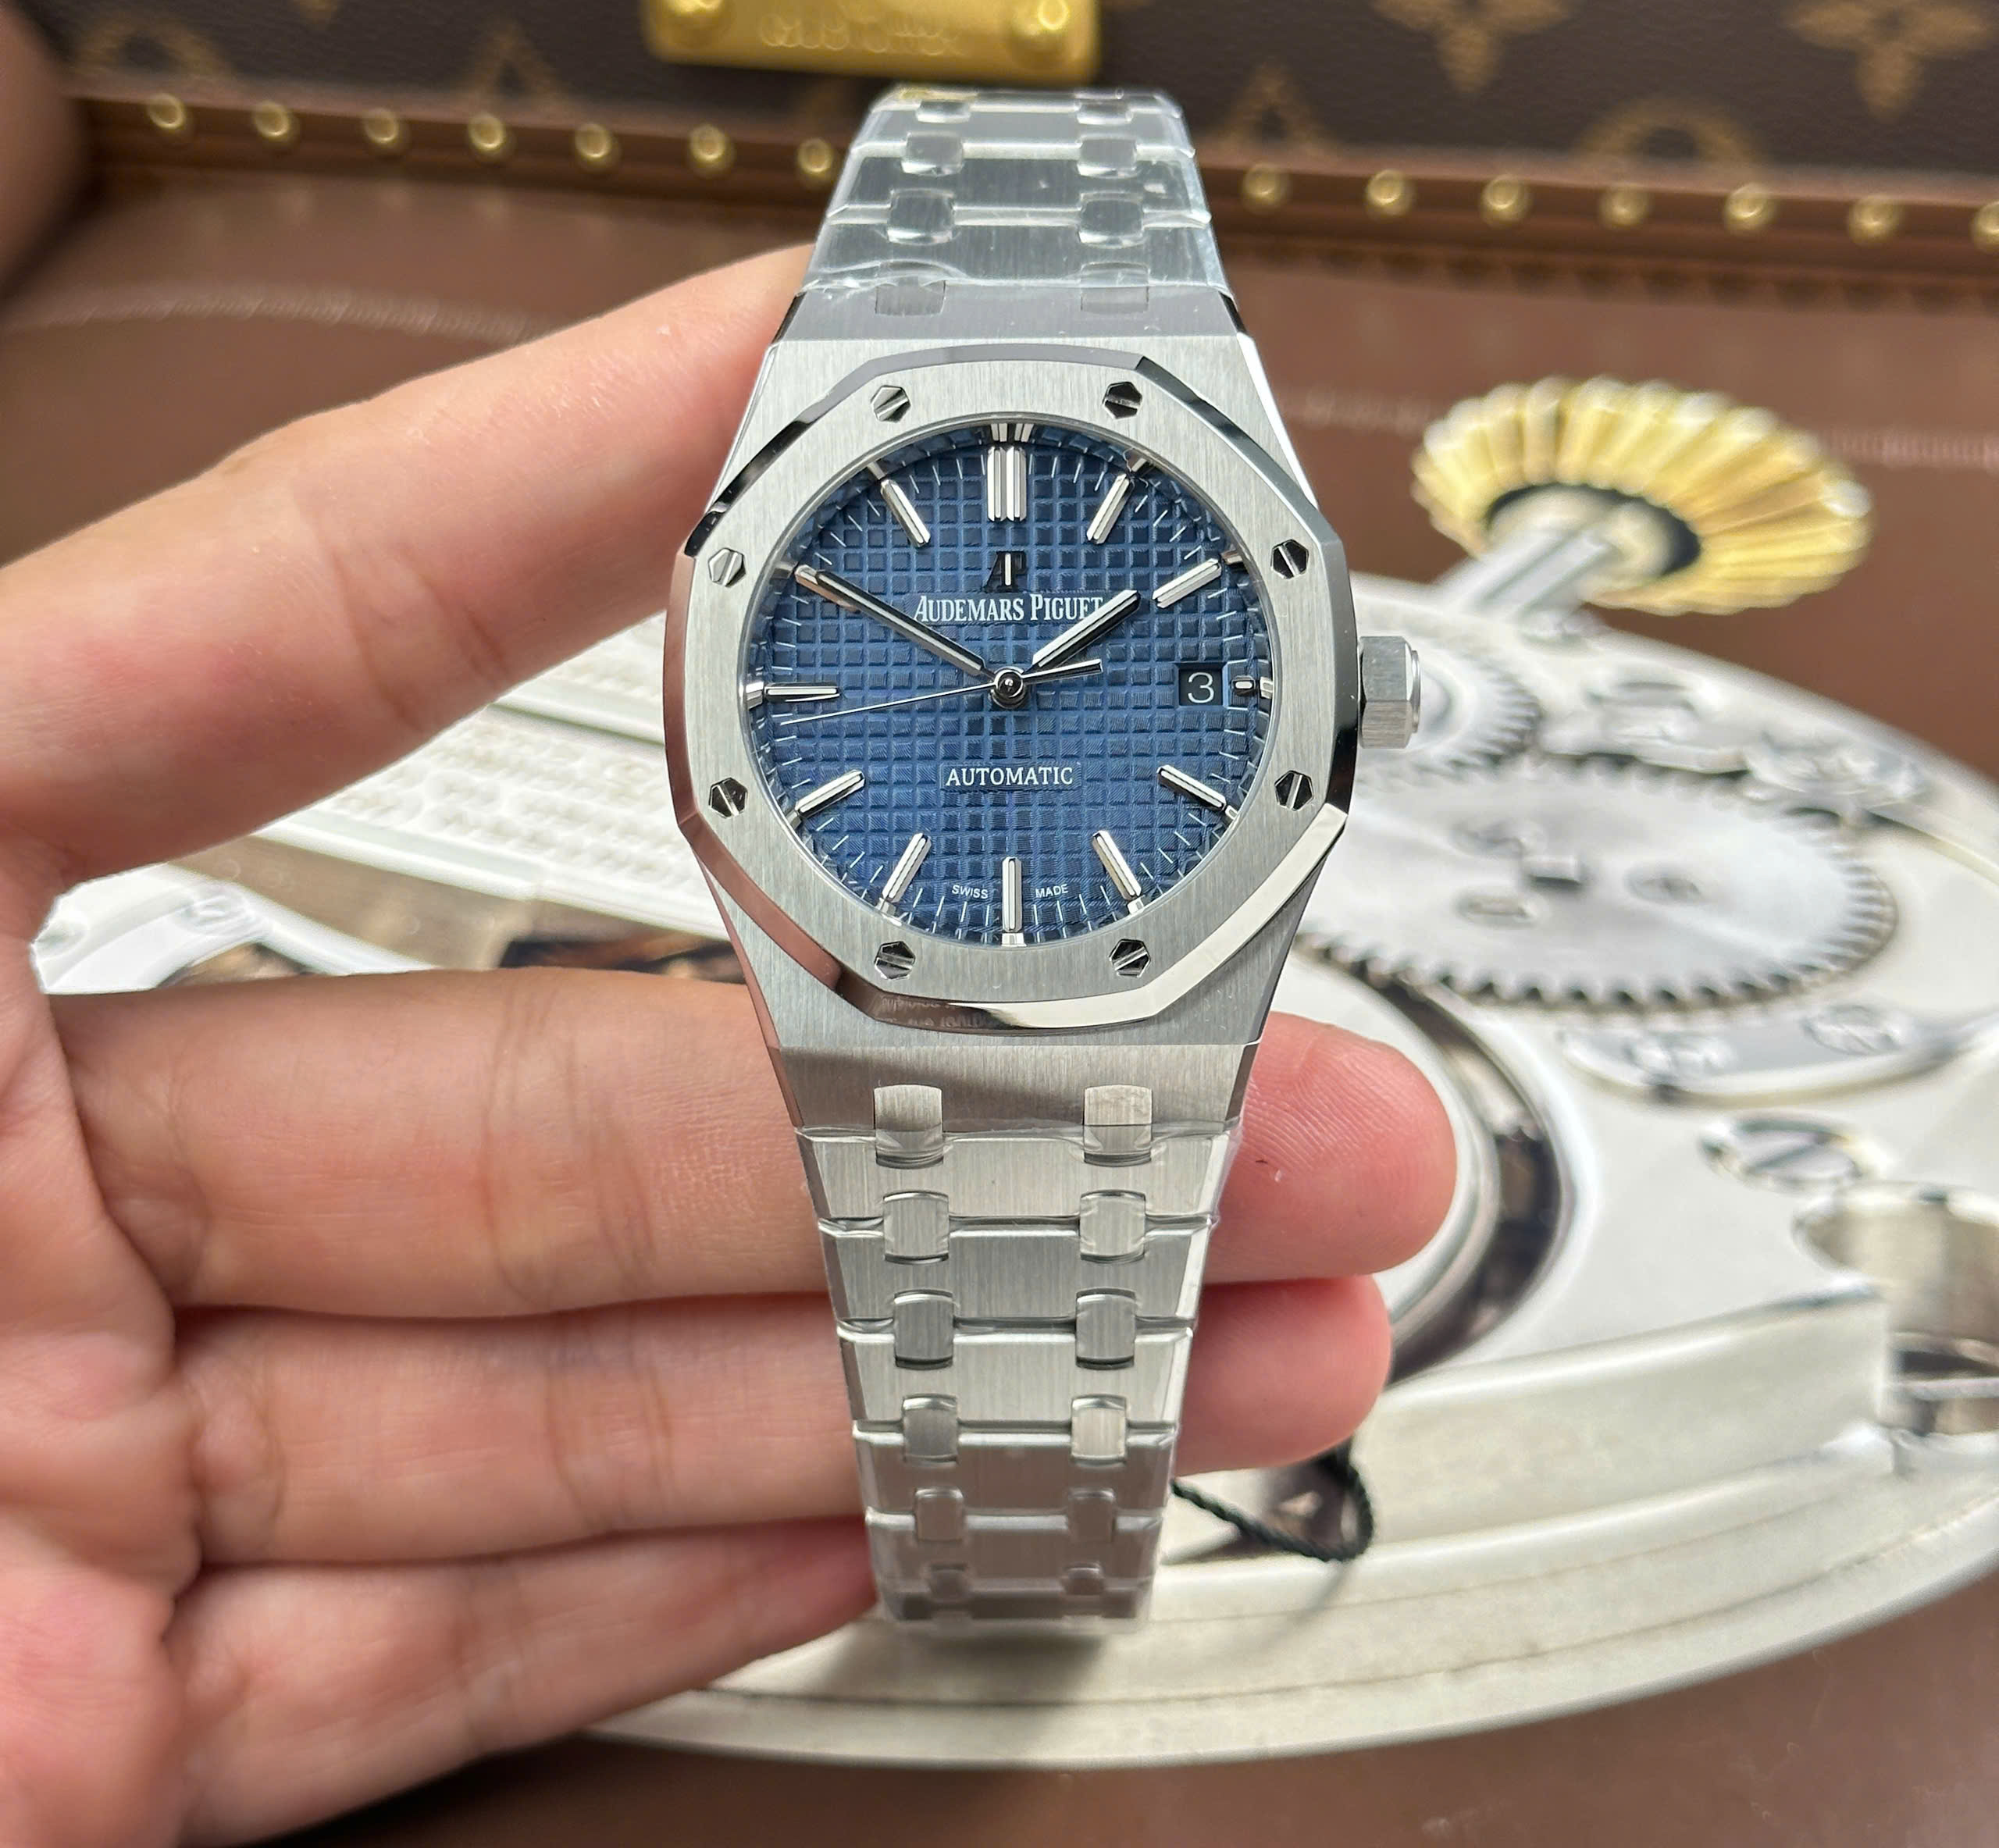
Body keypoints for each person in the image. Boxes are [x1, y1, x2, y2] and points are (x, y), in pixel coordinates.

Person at [0, 243, 1454, 1845]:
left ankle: (1038, 1558)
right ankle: (1013, 1554)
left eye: (1033, 672)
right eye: (988, 674)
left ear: (1349, 696)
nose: (1011, 682)